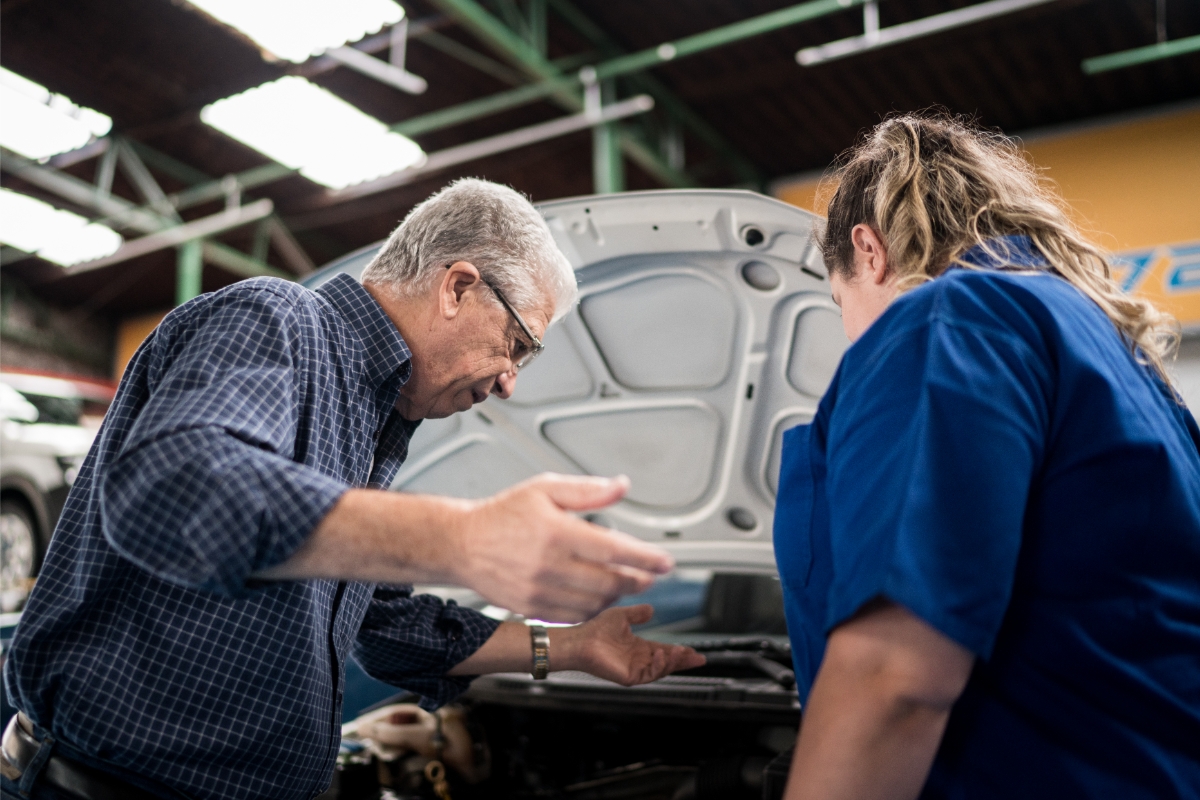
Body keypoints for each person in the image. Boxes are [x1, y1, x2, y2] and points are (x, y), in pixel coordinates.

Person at [2, 178, 704, 800]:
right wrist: (461, 538)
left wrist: (572, 646)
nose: (508, 382)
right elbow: (178, 490)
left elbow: (389, 628)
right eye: (517, 344)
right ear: (458, 287)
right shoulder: (277, 319)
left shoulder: (374, 419)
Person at [773, 114, 1200, 799]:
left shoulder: (948, 322)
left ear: (869, 251)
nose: (852, 337)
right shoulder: (1123, 361)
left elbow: (894, 677)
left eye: (837, 301)